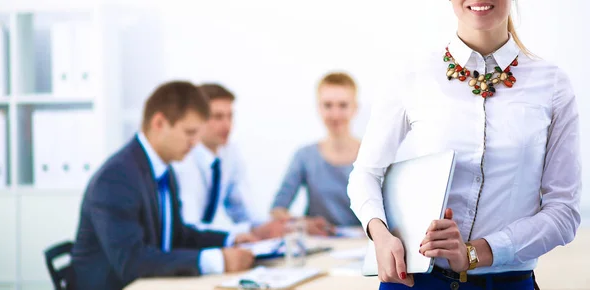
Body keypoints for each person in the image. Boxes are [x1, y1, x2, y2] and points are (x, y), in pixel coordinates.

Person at [347, 0, 581, 289]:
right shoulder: (411, 75)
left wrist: (474, 253)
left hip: (504, 283)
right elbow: (365, 173)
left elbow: (564, 212)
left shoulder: (553, 84)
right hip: (414, 281)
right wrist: (380, 236)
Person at [71, 81, 254, 290]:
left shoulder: (163, 170)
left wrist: (230, 240)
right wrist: (216, 261)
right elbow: (132, 262)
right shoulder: (116, 178)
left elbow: (178, 235)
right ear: (159, 123)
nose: (195, 143)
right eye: (189, 132)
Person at [175, 83, 285, 240]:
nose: (227, 125)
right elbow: (191, 226)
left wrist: (279, 225)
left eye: (230, 116)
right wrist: (244, 231)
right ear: (197, 119)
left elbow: (243, 209)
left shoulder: (229, 152)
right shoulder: (184, 161)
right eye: (218, 117)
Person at [271, 72, 362, 236]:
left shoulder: (372, 155)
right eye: (328, 105)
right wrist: (301, 224)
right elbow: (277, 209)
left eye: (343, 105)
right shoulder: (305, 156)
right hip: (318, 245)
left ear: (355, 108)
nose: (335, 114)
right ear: (318, 108)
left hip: (363, 246)